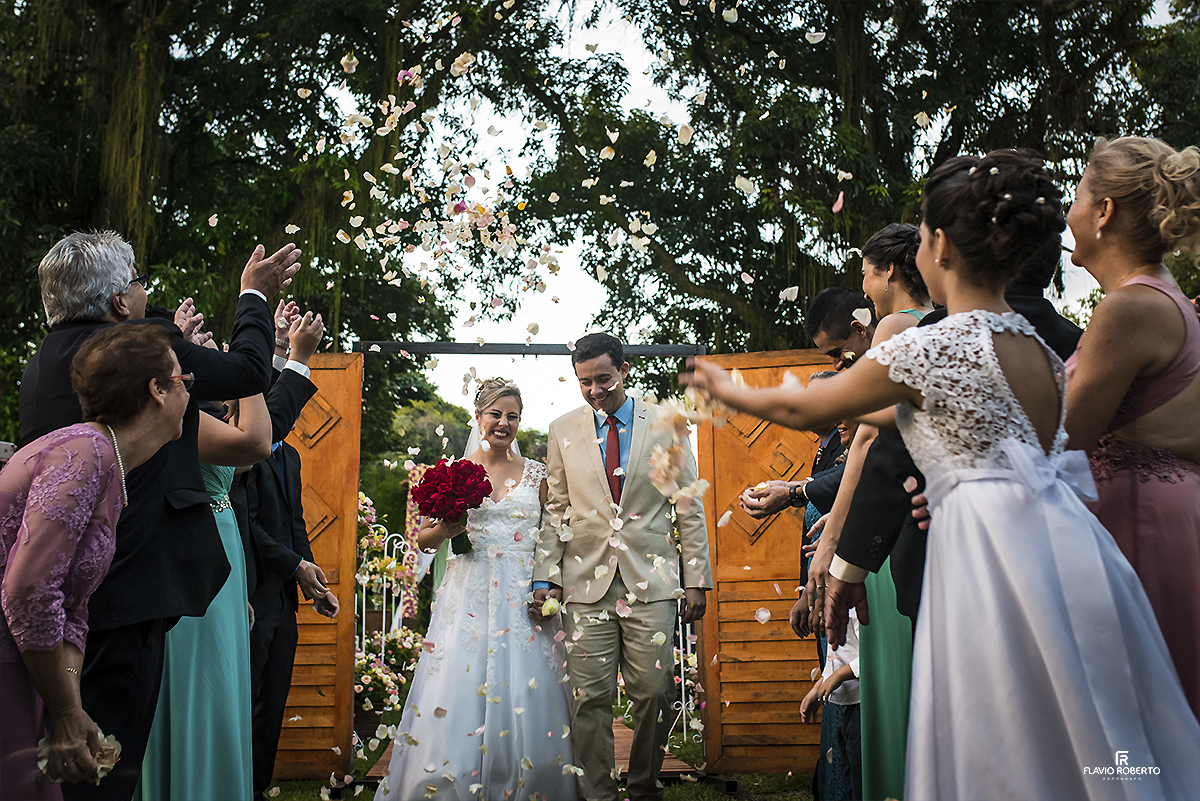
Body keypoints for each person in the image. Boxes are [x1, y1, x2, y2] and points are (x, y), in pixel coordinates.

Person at [684, 148, 1199, 800]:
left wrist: (723, 386)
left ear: (940, 249)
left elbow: (805, 406)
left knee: (993, 721)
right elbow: (1049, 450)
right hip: (1062, 549)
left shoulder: (929, 345)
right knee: (1073, 717)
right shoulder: (1038, 348)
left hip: (980, 555)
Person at [19, 230, 299, 801]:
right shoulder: (131, 358)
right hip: (127, 597)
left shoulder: (43, 366)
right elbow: (248, 376)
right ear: (120, 302)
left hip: (72, 600)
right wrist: (253, 296)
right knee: (106, 770)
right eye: (140, 284)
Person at [822, 234, 1084, 636]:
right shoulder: (1079, 342)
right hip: (1064, 564)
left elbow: (895, 450)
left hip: (952, 565)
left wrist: (848, 564)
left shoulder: (943, 333)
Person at [1, 326, 189, 800]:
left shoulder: (108, 464)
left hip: (22, 670)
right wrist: (63, 714)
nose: (190, 390)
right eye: (184, 378)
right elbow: (28, 591)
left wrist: (73, 707)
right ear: (158, 390)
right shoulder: (84, 454)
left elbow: (72, 609)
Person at [529, 333, 712, 801]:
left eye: (603, 379)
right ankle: (598, 795)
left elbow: (687, 506)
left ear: (624, 371)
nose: (594, 390)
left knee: (654, 692)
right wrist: (545, 578)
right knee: (588, 699)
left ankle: (644, 788)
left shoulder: (666, 424)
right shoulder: (562, 429)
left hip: (650, 580)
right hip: (583, 582)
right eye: (584, 382)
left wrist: (695, 580)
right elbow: (557, 510)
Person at [376, 379, 577, 801]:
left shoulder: (538, 474)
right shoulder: (450, 473)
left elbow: (551, 535)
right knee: (459, 680)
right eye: (496, 414)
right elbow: (423, 538)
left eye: (513, 416)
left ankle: (532, 779)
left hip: (523, 593)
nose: (504, 423)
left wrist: (547, 586)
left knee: (528, 683)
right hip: (469, 591)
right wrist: (449, 527)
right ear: (478, 417)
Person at [1063, 136, 1200, 717]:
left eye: (1075, 192)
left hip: (1138, 530)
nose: (1067, 212)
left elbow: (1060, 436)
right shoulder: (1158, 300)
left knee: (1132, 733)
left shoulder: (1130, 307)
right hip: (1150, 521)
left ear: (1104, 211)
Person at [243, 310, 339, 801]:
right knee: (245, 704)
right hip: (248, 594)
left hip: (284, 598)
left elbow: (294, 521)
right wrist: (292, 564)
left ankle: (258, 789)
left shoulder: (292, 455)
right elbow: (249, 527)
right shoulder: (240, 450)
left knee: (272, 702)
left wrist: (310, 574)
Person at [799, 609, 861, 801]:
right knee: (849, 773)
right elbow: (836, 656)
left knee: (860, 778)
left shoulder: (858, 605)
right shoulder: (834, 604)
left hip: (864, 705)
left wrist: (840, 675)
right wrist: (817, 691)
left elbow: (874, 651)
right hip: (848, 706)